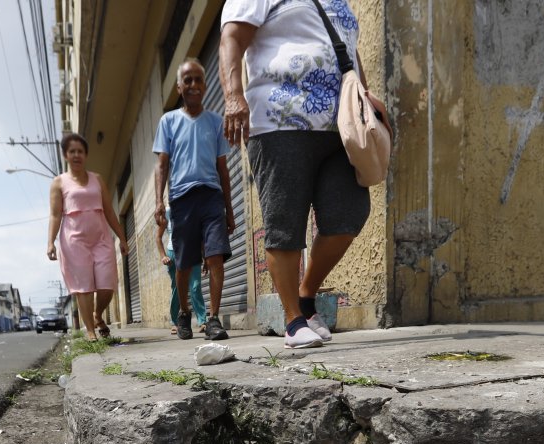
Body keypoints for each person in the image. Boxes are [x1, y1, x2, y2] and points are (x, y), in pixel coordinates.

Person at [220, 0, 388, 348]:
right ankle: (294, 319)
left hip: (341, 126)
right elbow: (232, 39)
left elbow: (349, 56)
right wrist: (234, 96)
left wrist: (365, 101)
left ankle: (306, 295)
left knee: (349, 214)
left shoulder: (339, 2)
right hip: (279, 121)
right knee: (285, 225)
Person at [153, 58, 237, 341]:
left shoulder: (215, 122)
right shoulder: (169, 121)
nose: (193, 85)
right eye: (187, 80)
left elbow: (222, 168)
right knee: (184, 262)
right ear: (179, 87)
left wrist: (229, 209)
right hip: (181, 199)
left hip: (211, 197)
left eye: (198, 79)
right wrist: (158, 203)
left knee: (215, 256)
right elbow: (162, 164)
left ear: (205, 84)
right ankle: (185, 312)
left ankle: (212, 318)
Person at [47, 132, 129, 340]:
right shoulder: (59, 183)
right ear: (66, 155)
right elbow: (55, 214)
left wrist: (122, 237)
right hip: (74, 241)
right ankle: (91, 331)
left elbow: (109, 211)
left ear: (85, 154)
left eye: (80, 151)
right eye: (72, 151)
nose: (76, 155)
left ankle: (97, 314)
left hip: (101, 238)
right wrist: (50, 243)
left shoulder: (97, 179)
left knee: (106, 285)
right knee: (83, 287)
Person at [155, 208, 208, 335]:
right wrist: (163, 255)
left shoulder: (194, 208)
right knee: (177, 288)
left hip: (193, 251)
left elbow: (200, 236)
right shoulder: (168, 212)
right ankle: (175, 322)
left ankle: (202, 321)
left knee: (195, 286)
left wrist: (205, 257)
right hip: (174, 253)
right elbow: (158, 237)